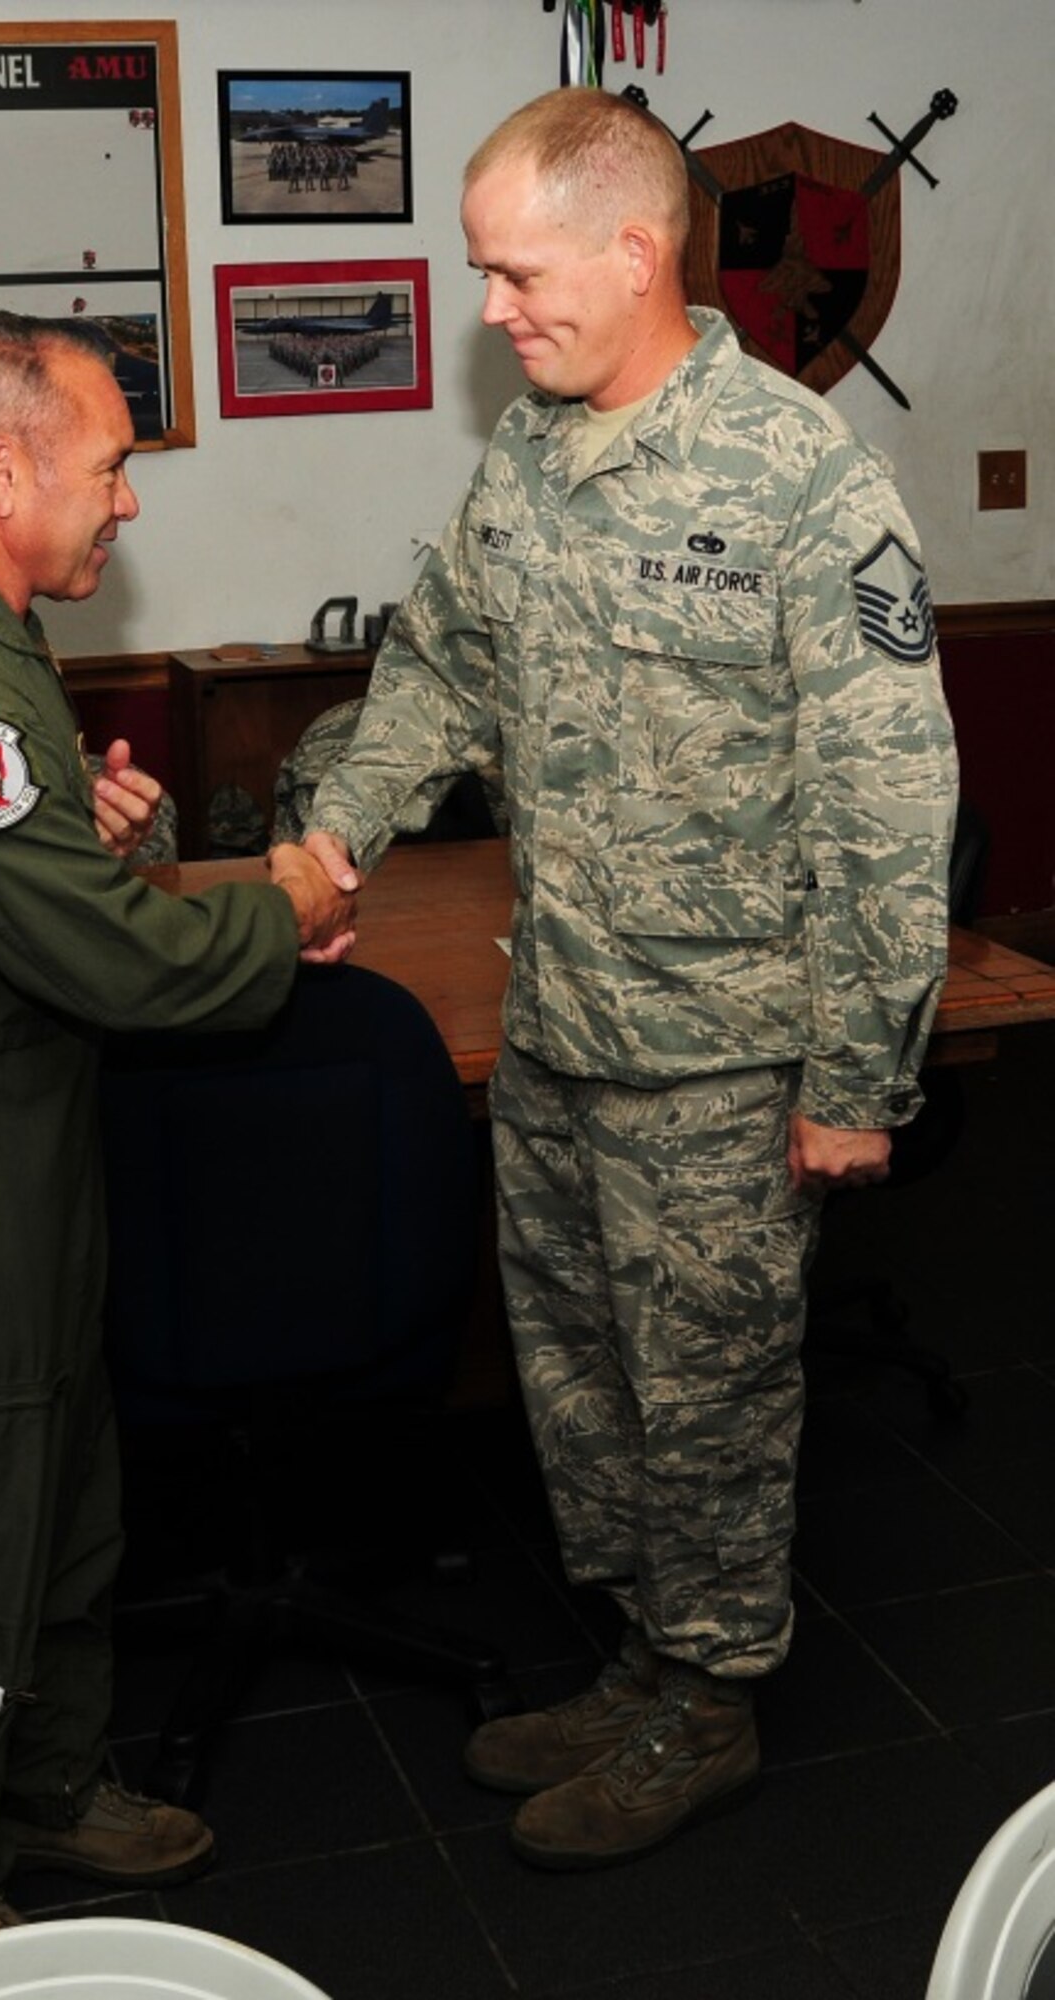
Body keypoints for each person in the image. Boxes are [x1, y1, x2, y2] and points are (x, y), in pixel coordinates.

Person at [303, 88, 957, 1870]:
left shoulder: (803, 478)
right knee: (579, 1379)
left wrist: (852, 1081)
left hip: (729, 1057)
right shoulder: (523, 456)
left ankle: (716, 1699)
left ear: (633, 248)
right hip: (562, 1025)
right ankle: (641, 1655)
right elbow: (436, 667)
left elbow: (889, 798)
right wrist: (335, 834)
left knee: (712, 1396)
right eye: (482, 279)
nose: (493, 310)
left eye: (515, 273)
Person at [0, 312, 354, 1966]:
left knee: (53, 1484)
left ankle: (38, 1781)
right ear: (5, 467)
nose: (127, 503)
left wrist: (106, 828)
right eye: (111, 466)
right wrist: (286, 901)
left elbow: (34, 887)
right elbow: (99, 955)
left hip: (19, 1118)